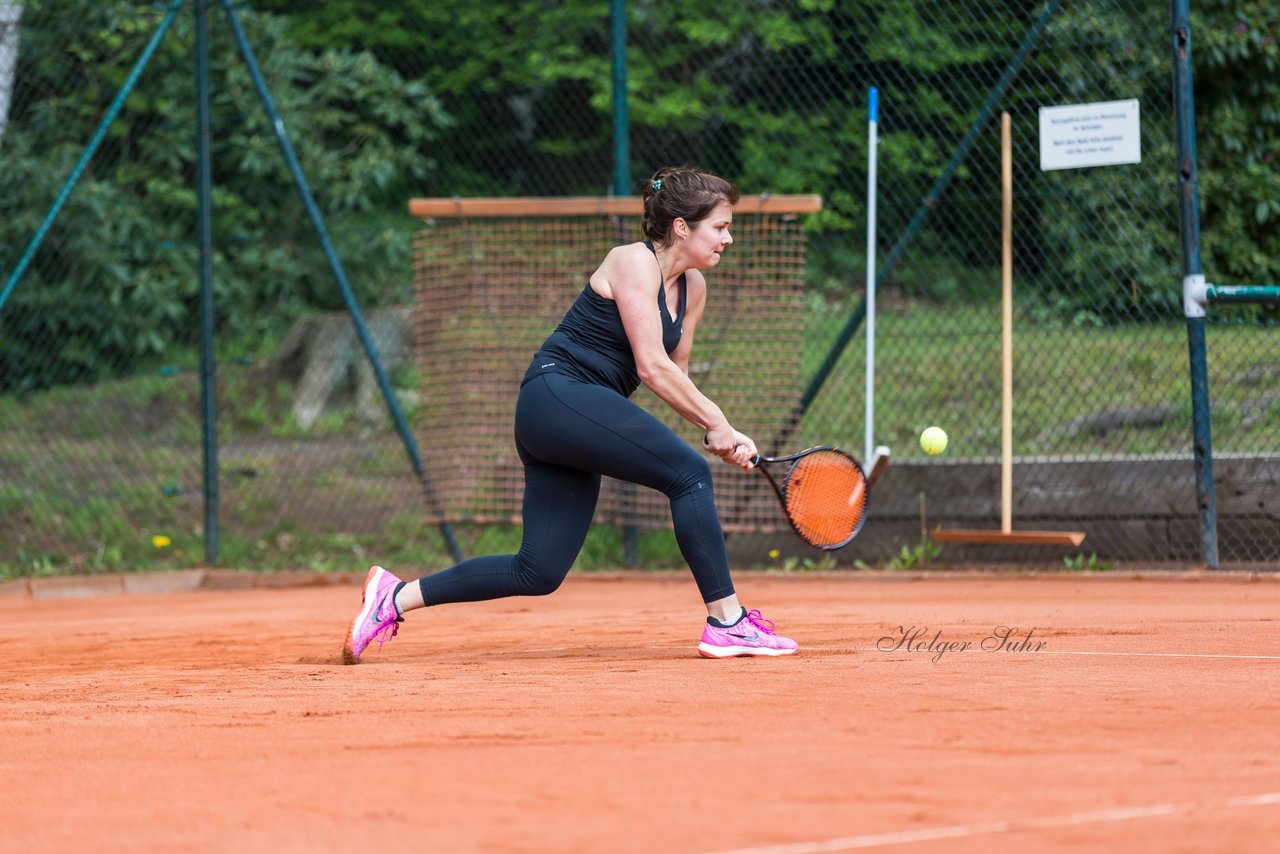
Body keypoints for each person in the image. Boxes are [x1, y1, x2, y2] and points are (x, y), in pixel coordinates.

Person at [342, 165, 797, 664]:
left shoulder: (694, 291)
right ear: (683, 227)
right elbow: (649, 366)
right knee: (689, 476)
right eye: (721, 226)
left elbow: (675, 374)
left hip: (578, 416)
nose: (729, 238)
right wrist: (718, 422)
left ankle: (393, 596)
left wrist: (720, 432)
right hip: (557, 395)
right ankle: (728, 622)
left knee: (537, 571)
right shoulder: (631, 262)